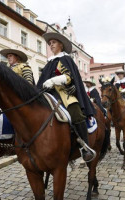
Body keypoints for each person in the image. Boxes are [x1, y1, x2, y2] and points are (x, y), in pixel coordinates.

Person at [37, 32, 96, 162]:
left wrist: (53, 81)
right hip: (47, 93)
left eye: (53, 43)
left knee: (75, 110)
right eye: (50, 43)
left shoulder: (65, 59)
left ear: (61, 45)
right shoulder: (49, 62)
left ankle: (84, 147)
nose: (51, 45)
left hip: (64, 92)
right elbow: (41, 81)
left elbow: (69, 77)